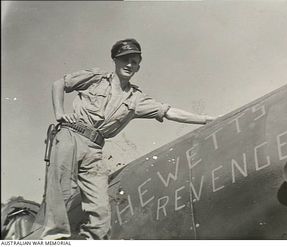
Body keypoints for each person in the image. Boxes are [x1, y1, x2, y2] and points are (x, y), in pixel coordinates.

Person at [41, 38, 215, 240]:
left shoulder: (136, 98)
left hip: (95, 148)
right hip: (71, 134)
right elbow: (60, 83)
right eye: (125, 60)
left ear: (138, 66)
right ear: (115, 60)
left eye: (134, 61)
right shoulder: (97, 78)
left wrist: (204, 119)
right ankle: (52, 241)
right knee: (61, 193)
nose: (129, 65)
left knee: (101, 208)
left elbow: (168, 111)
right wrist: (59, 112)